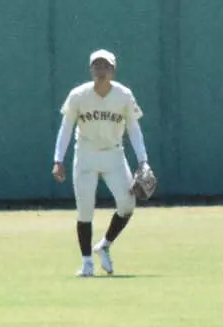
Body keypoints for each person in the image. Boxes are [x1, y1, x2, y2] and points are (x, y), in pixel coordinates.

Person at [51, 48, 150, 277]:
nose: (101, 70)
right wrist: (58, 159)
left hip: (114, 154)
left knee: (127, 205)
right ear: (90, 69)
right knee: (85, 209)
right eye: (97, 65)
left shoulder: (123, 95)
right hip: (85, 154)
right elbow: (66, 128)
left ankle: (104, 245)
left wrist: (143, 160)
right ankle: (86, 262)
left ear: (113, 70)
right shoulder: (78, 95)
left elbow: (134, 128)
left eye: (106, 66)